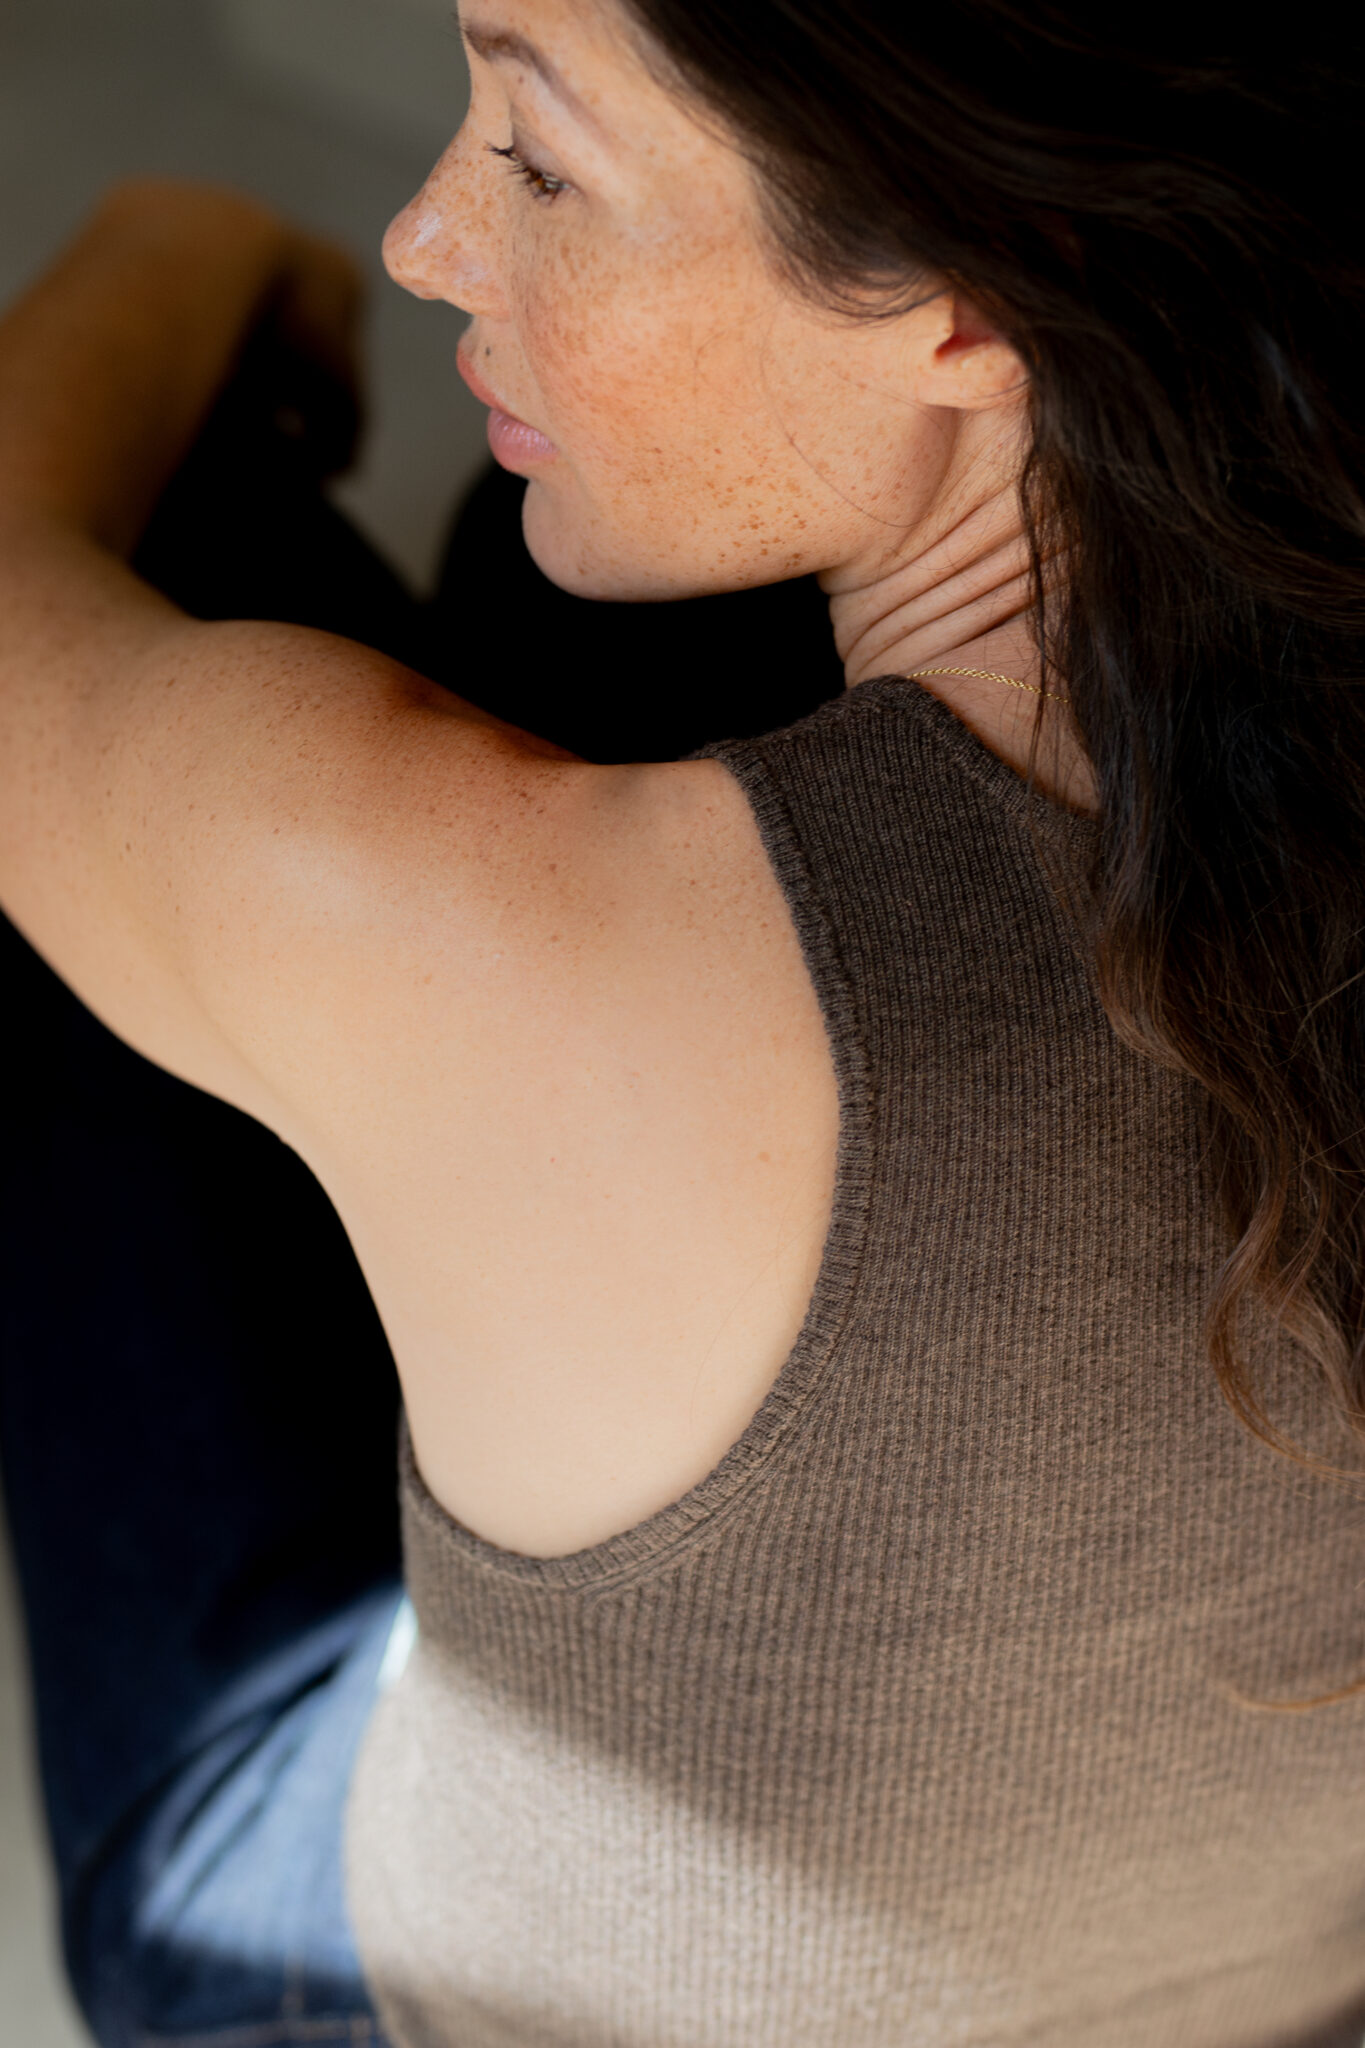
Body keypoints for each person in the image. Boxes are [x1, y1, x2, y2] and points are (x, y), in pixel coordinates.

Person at [3, 1, 1365, 2043]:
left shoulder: (476, 922)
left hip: (407, 1985)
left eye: (538, 161)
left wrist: (182, 242)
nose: (421, 238)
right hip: (1255, 1983)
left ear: (976, 289)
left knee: (182, 556)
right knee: (540, 573)